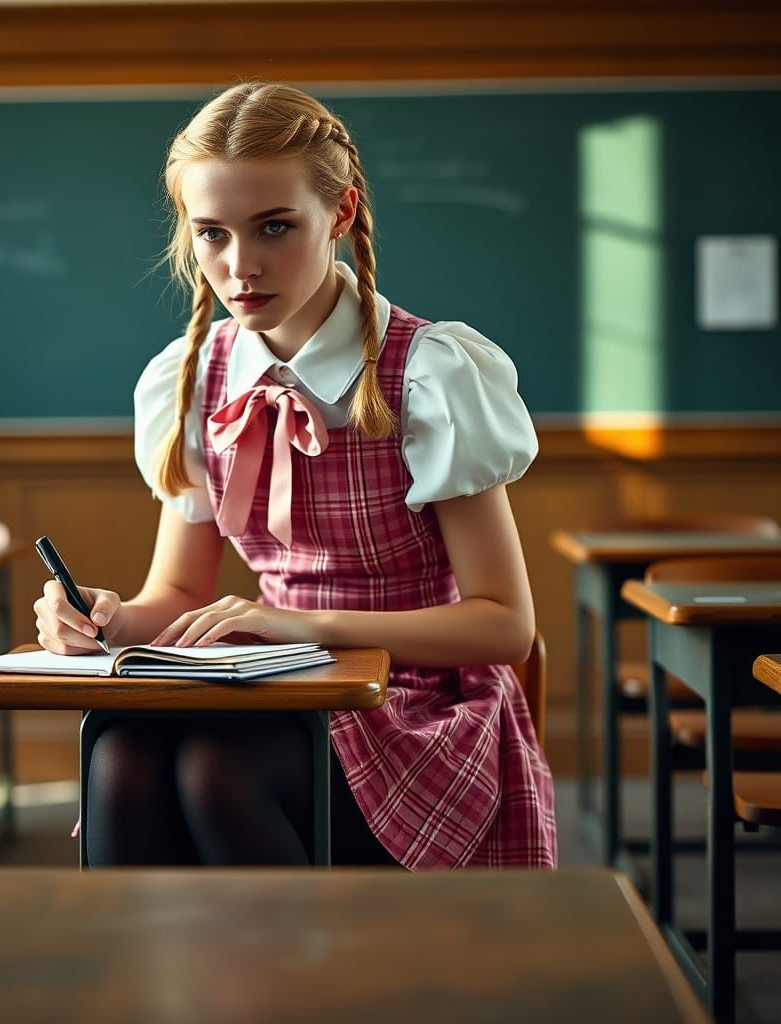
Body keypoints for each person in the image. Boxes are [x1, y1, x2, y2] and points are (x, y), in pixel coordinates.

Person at [34, 81, 557, 869]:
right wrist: (102, 622)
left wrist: (301, 627)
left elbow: (503, 625)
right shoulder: (193, 379)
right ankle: (154, 991)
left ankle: (301, 989)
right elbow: (175, 595)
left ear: (340, 214)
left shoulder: (428, 372)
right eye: (211, 234)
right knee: (120, 758)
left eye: (274, 227)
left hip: (414, 708)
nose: (240, 265)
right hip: (274, 690)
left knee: (217, 771)